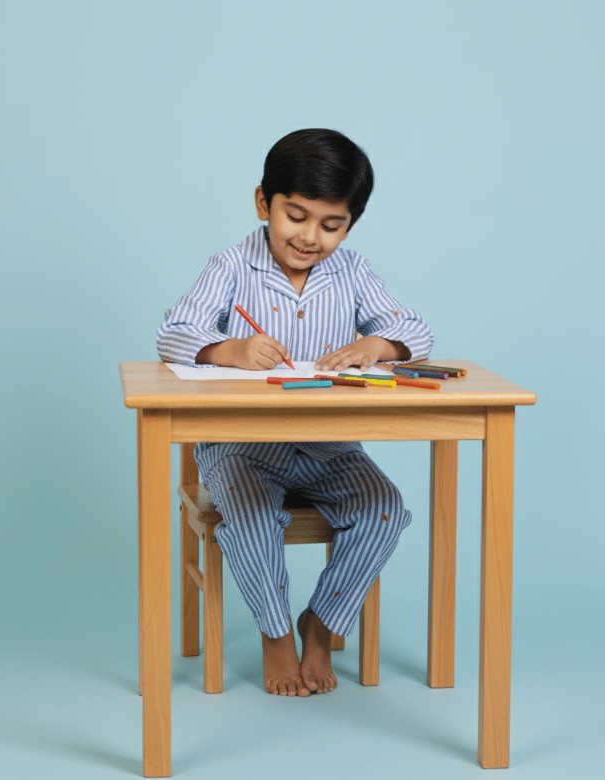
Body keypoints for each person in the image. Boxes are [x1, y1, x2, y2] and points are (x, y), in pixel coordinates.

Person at [157, 128, 433, 697]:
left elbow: (415, 330)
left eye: (331, 226)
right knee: (253, 518)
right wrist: (227, 350)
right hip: (243, 453)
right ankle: (276, 633)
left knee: (384, 508)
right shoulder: (231, 266)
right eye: (296, 216)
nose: (310, 238)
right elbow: (174, 333)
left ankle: (322, 622)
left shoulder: (353, 273)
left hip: (331, 449)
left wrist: (375, 347)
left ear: (350, 223)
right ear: (264, 203)